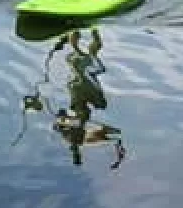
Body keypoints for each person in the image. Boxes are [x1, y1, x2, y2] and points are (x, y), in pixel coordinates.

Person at [50, 28, 126, 169]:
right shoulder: (82, 131)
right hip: (82, 94)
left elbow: (62, 121)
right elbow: (111, 134)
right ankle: (86, 33)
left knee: (84, 63)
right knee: (86, 62)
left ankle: (79, 34)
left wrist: (63, 125)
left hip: (80, 93)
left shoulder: (76, 128)